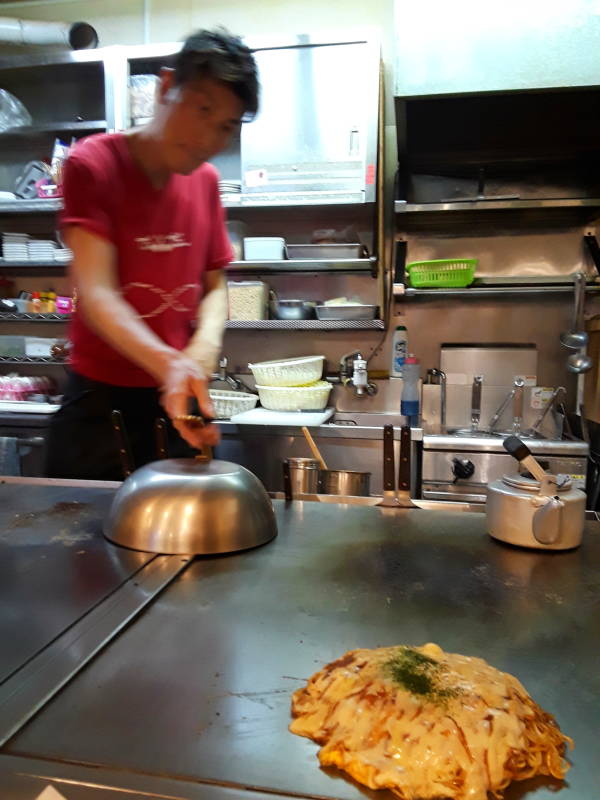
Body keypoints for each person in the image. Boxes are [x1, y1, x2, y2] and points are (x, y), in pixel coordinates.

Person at [45, 29, 259, 480]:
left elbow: (215, 284)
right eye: (202, 109)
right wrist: (174, 364)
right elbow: (98, 293)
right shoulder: (93, 165)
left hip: (174, 396)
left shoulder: (205, 183)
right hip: (100, 409)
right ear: (166, 87)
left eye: (225, 125)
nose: (208, 137)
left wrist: (201, 350)